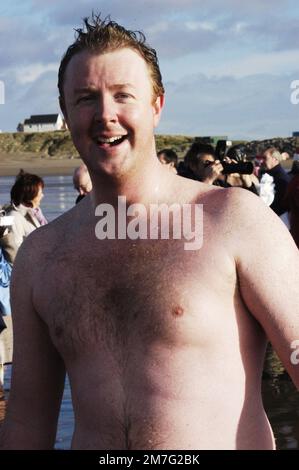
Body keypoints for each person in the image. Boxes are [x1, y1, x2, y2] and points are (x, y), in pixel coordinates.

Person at [1, 14, 299, 450]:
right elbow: (27, 420)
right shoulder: (41, 255)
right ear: (65, 113)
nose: (106, 114)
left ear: (157, 106)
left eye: (124, 96)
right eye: (86, 98)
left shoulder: (234, 220)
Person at [5, 170, 47, 259]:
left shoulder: (35, 214)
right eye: (40, 192)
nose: (43, 195)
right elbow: (14, 253)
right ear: (30, 194)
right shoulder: (14, 217)